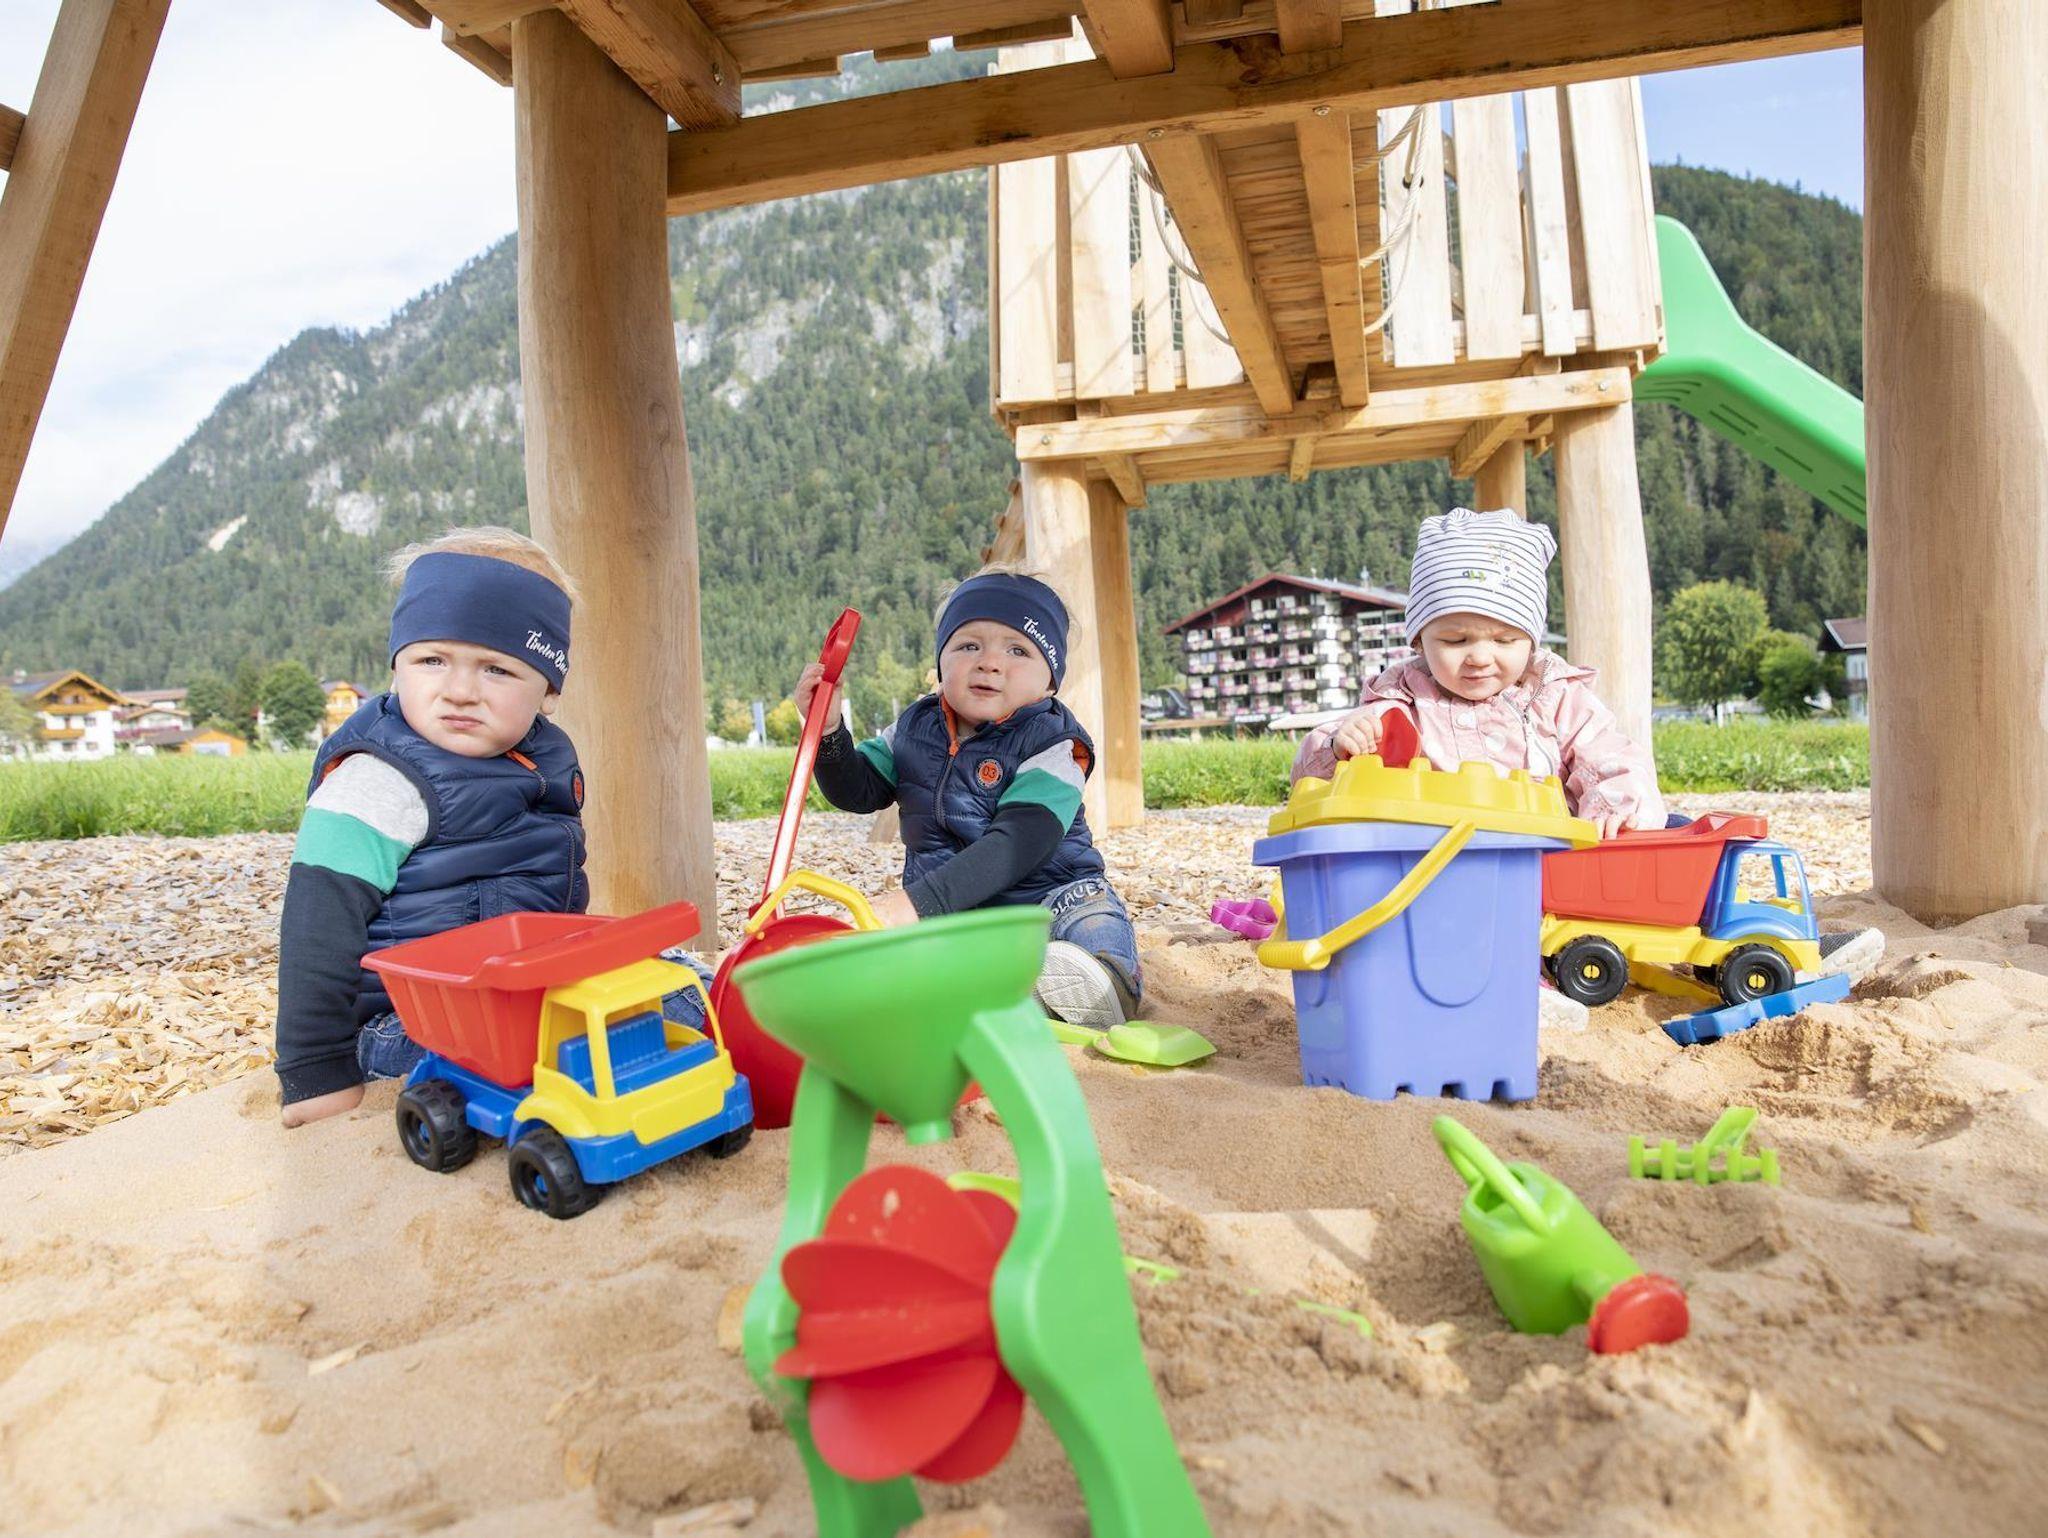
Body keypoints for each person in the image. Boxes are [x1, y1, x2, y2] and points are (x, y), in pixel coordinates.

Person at [1292, 508, 1882, 1016]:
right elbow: (1323, 777)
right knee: (1470, 921)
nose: (1480, 657)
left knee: (1683, 843)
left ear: (1532, 638)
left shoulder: (1554, 695)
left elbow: (1610, 755)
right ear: (1420, 638)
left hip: (1563, 859)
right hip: (1451, 866)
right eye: (1455, 640)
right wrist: (1345, 740)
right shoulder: (1400, 702)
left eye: (1504, 639)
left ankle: (1783, 948)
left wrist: (1614, 805)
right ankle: (1530, 989)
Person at [272, 527, 711, 1126]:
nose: (459, 691)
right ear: (397, 666)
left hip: (518, 989)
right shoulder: (378, 780)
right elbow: (316, 926)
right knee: (591, 1042)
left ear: (548, 690)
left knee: (683, 988)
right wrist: (314, 1072)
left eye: (496, 670)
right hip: (407, 1021)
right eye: (431, 660)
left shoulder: (543, 756)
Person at [796, 567, 1141, 1028]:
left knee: (1091, 920)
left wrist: (917, 903)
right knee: (896, 960)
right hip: (957, 914)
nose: (990, 662)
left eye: (1018, 650)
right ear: (941, 662)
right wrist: (829, 732)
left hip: (1047, 898)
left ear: (1050, 681)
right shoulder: (913, 729)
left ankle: (1099, 985)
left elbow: (1016, 845)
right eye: (969, 646)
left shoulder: (1057, 745)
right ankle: (1010, 990)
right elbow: (856, 790)